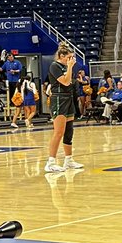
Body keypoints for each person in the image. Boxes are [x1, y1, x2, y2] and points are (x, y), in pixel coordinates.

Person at [45, 43, 84, 175]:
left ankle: (69, 160)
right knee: (59, 132)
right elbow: (66, 82)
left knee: (69, 131)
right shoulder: (54, 66)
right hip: (59, 99)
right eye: (69, 57)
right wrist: (70, 67)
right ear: (62, 56)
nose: (72, 59)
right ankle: (50, 162)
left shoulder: (66, 66)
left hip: (68, 98)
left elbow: (71, 82)